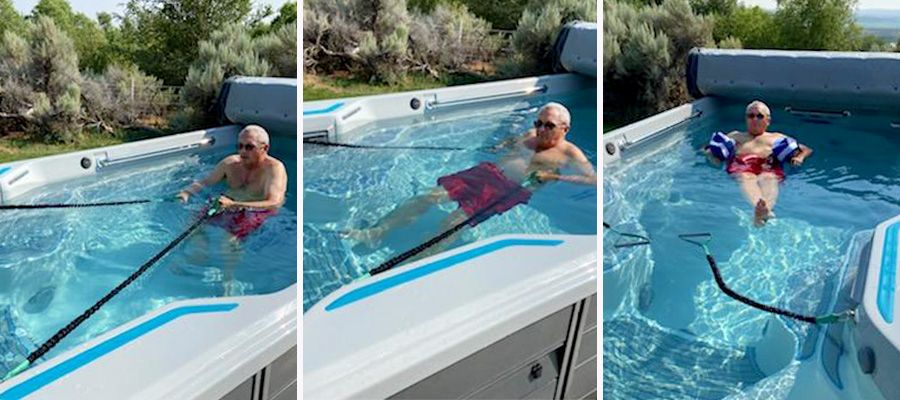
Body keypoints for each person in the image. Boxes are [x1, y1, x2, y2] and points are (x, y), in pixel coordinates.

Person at [343, 102, 596, 256]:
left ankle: (416, 258)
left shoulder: (570, 153)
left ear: (565, 129)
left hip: (507, 190)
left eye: (548, 125)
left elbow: (592, 180)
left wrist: (552, 175)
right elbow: (511, 141)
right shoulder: (530, 133)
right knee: (428, 196)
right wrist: (502, 145)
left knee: (453, 222)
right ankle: (377, 232)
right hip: (485, 173)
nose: (540, 129)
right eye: (538, 122)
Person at [176, 124, 288, 294]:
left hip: (255, 209)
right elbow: (205, 182)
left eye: (249, 147)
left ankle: (227, 278)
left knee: (228, 241)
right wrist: (186, 192)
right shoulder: (230, 163)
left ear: (264, 148)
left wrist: (235, 205)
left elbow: (274, 203)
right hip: (227, 204)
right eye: (240, 146)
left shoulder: (274, 169)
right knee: (192, 224)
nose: (243, 151)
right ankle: (198, 256)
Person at [705, 100, 812, 227]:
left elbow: (806, 149)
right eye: (751, 116)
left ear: (768, 120)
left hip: (768, 165)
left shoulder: (776, 137)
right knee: (746, 177)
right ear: (746, 119)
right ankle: (760, 209)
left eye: (759, 116)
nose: (755, 119)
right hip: (742, 165)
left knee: (769, 178)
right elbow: (709, 148)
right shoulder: (735, 136)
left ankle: (764, 211)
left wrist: (800, 157)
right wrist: (711, 155)